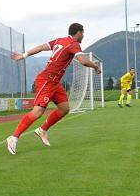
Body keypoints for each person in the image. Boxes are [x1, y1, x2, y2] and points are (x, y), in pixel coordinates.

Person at [7, 23, 101, 154]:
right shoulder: (73, 44)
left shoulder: (59, 40)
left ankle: (42, 130)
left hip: (55, 82)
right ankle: (14, 137)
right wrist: (96, 67)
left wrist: (23, 55)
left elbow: (41, 47)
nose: (83, 35)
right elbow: (83, 61)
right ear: (78, 32)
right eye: (83, 32)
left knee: (64, 109)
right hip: (46, 80)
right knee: (38, 112)